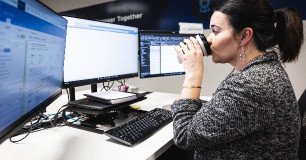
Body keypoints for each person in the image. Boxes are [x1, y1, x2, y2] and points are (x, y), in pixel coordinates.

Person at [172, 0, 304, 159]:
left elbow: (184, 135)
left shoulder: (251, 84)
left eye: (215, 31)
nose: (209, 39)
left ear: (244, 36)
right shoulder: (262, 69)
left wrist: (193, 74)